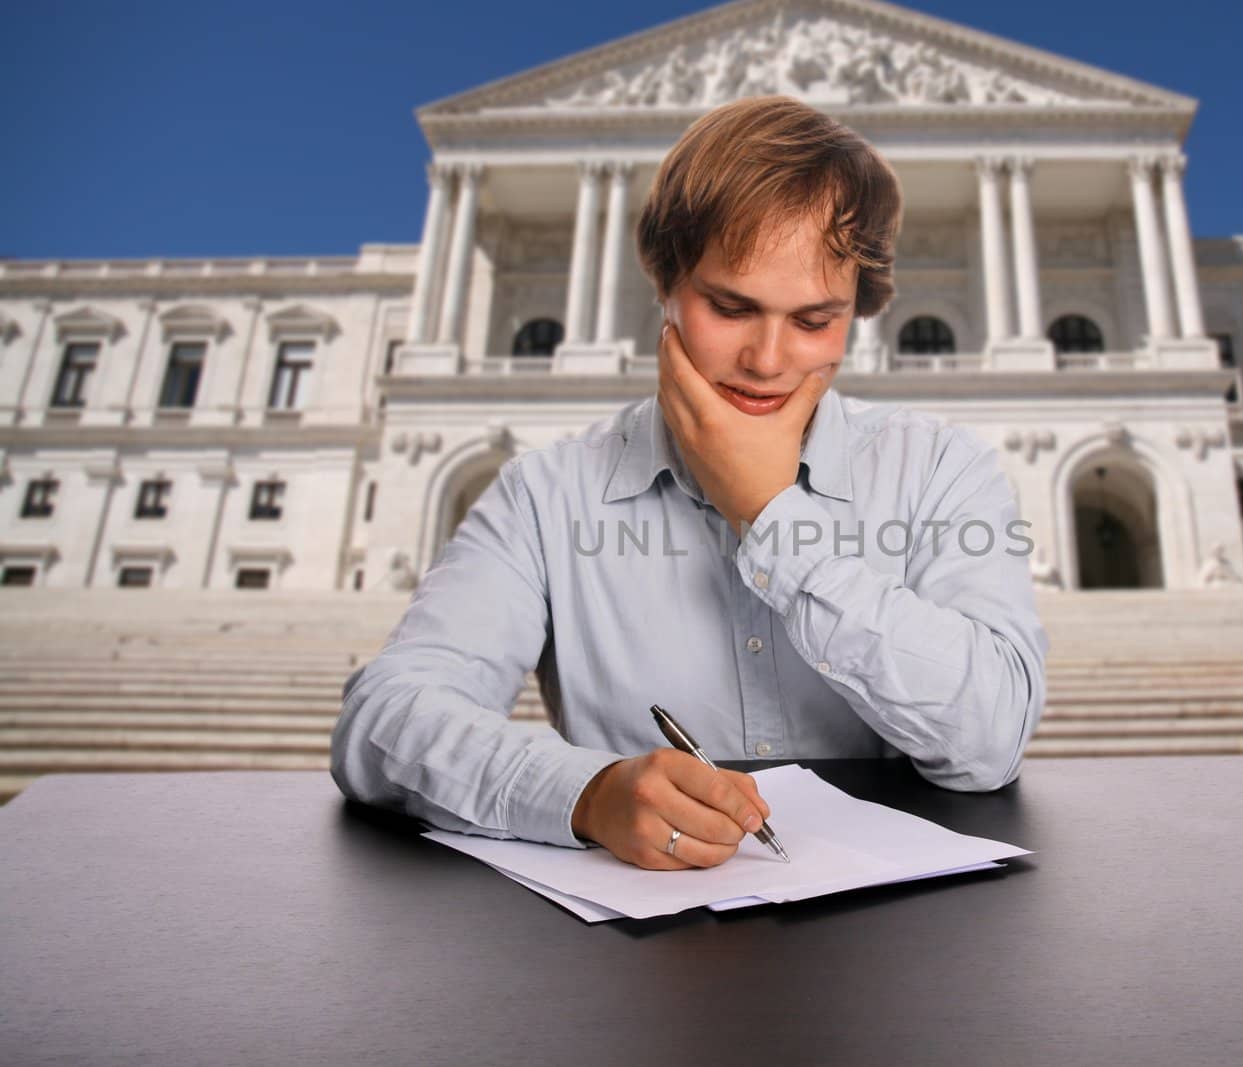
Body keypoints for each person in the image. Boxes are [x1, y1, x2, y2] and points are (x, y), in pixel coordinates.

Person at [330, 95, 1048, 872]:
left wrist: (771, 515)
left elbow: (989, 741)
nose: (769, 360)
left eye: (815, 321)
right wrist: (584, 791)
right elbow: (382, 721)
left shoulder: (941, 470)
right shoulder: (546, 494)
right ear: (666, 283)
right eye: (731, 307)